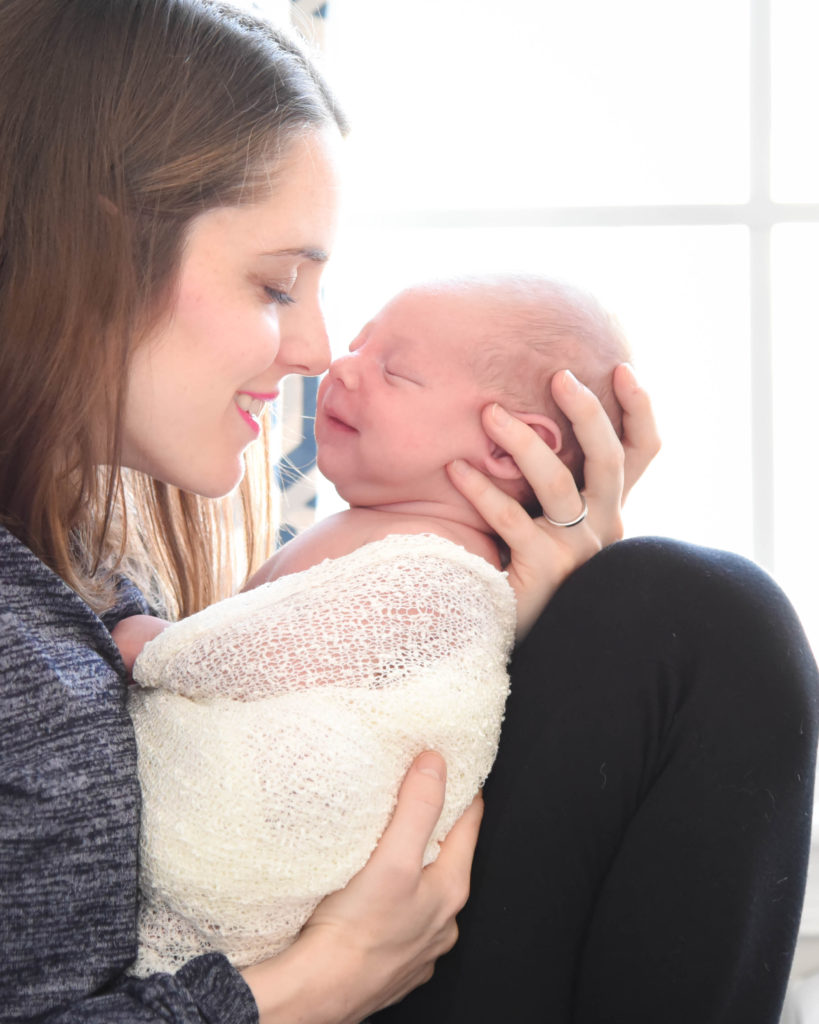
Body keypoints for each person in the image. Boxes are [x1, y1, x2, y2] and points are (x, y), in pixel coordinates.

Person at [0, 2, 815, 1023]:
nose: (316, 353)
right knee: (704, 621)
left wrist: (531, 617)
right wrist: (309, 986)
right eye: (274, 283)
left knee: (682, 614)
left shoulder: (88, 552)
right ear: (95, 249)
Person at [111, 274, 632, 977]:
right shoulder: (371, 528)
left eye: (395, 372)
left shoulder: (442, 567)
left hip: (281, 892)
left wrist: (159, 650)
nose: (339, 366)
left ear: (508, 449)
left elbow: (290, 650)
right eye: (359, 347)